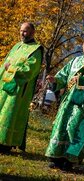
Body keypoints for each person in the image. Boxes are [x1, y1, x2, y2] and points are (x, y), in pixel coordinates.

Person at [45, 36, 84, 170]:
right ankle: (56, 157)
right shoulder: (75, 60)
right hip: (68, 101)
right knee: (61, 127)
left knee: (74, 130)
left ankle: (70, 160)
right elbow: (63, 76)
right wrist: (55, 80)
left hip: (82, 104)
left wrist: (81, 80)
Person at [0, 22, 43, 153]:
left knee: (11, 114)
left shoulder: (36, 50)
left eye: (25, 31)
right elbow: (4, 64)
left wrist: (12, 69)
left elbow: (30, 70)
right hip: (4, 85)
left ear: (32, 33)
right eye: (21, 30)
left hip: (19, 89)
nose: (22, 33)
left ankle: (7, 144)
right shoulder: (17, 46)